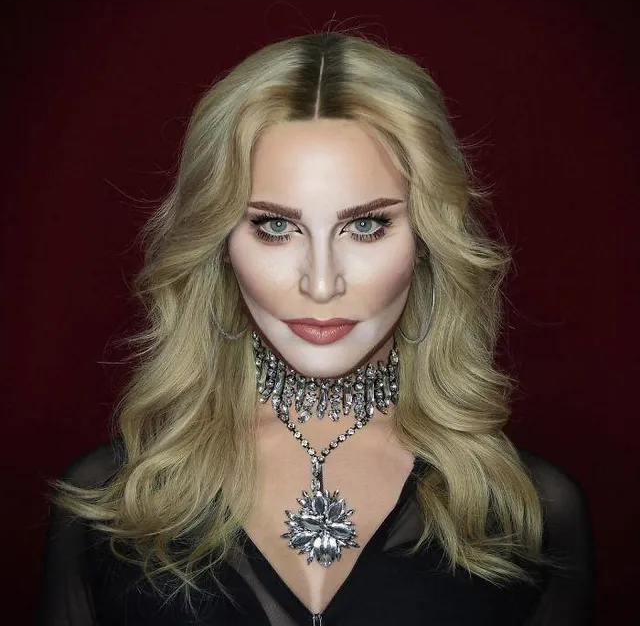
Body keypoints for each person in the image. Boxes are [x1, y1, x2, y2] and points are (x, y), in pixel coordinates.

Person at [38, 32, 595, 625]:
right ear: (219, 243)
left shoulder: (532, 514)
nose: (322, 284)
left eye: (366, 226)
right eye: (276, 227)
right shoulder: (108, 504)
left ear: (428, 240)